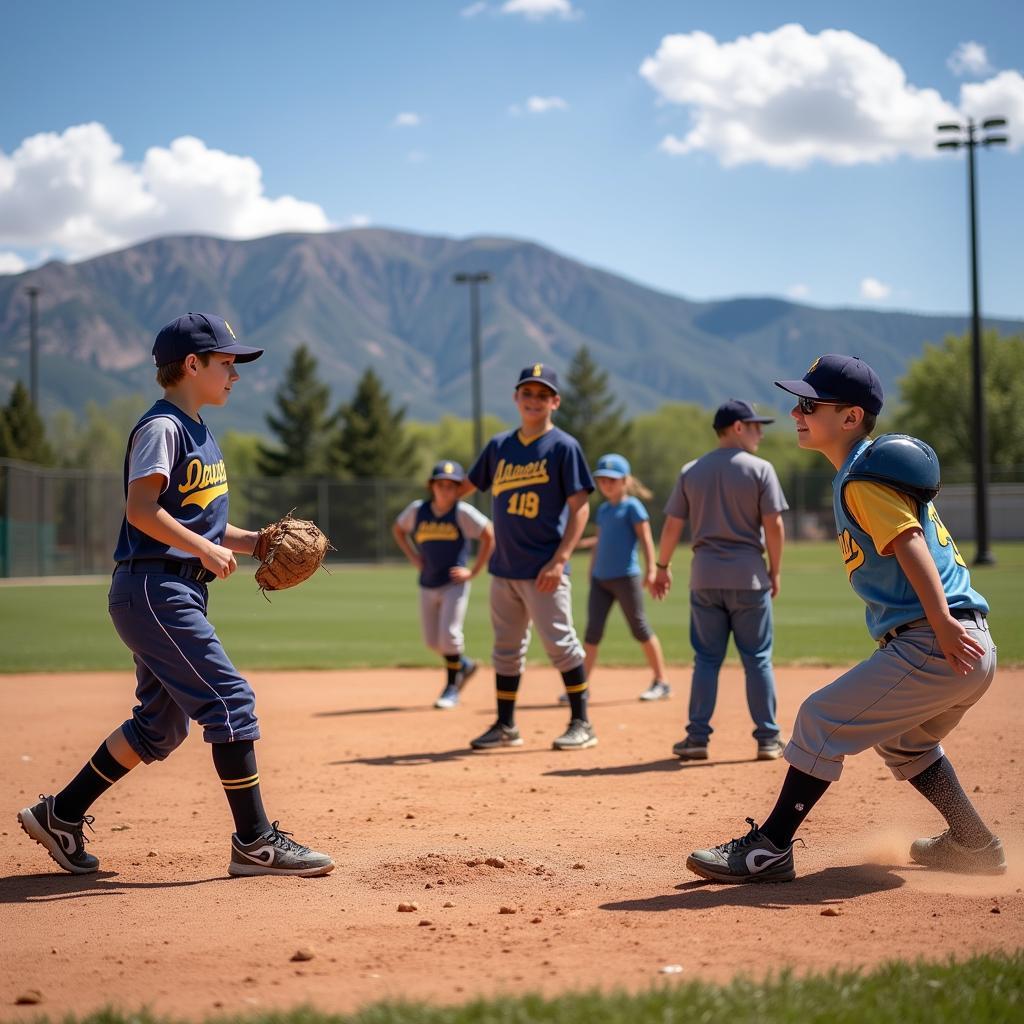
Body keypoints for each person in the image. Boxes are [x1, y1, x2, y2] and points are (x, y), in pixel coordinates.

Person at [17, 313, 334, 878]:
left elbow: (203, 525)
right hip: (153, 587)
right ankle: (254, 841)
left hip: (170, 590)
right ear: (192, 365)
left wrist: (256, 541)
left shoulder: (199, 430)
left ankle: (60, 815)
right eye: (227, 363)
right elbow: (142, 511)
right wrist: (205, 551)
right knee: (230, 702)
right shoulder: (163, 427)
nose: (235, 374)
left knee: (161, 726)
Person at [687, 354, 1003, 883]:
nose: (796, 413)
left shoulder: (862, 479)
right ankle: (973, 842)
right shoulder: (864, 475)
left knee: (820, 718)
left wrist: (942, 622)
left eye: (810, 404)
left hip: (938, 639)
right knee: (905, 740)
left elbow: (909, 544)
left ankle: (770, 848)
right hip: (967, 646)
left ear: (851, 417)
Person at [457, 363, 597, 751]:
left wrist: (560, 559)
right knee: (505, 650)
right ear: (516, 398)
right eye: (527, 393)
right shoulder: (500, 447)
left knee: (561, 645)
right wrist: (438, 495)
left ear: (555, 401)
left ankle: (582, 722)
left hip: (544, 569)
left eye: (542, 394)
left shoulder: (564, 447)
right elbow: (467, 485)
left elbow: (581, 508)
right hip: (505, 567)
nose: (533, 400)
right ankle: (505, 726)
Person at [652, 399, 788, 761]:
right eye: (756, 426)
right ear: (738, 427)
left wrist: (661, 567)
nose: (760, 433)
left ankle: (697, 738)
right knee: (757, 659)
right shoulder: (761, 470)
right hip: (749, 576)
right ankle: (768, 739)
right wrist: (774, 570)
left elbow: (671, 526)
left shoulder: (691, 471)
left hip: (705, 578)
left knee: (707, 660)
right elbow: (774, 526)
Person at [392, 459, 494, 709]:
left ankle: (451, 688)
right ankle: (465, 665)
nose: (446, 490)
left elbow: (489, 534)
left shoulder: (462, 512)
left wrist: (474, 571)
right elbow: (398, 529)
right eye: (441, 484)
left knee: (449, 635)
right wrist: (413, 556)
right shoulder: (418, 510)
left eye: (452, 485)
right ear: (432, 486)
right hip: (427, 582)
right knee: (432, 642)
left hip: (453, 583)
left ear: (459, 488)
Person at [584, 453, 671, 701]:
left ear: (625, 480)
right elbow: (600, 543)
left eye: (612, 480)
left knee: (639, 628)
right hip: (601, 579)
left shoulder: (632, 506)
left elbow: (645, 539)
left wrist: (652, 570)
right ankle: (581, 687)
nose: (606, 484)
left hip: (625, 577)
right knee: (592, 632)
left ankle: (662, 681)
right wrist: (591, 570)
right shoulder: (602, 510)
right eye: (602, 480)